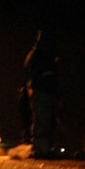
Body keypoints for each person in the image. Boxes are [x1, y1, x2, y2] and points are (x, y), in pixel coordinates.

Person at [22, 29, 61, 158]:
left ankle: (42, 148)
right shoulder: (40, 55)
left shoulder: (36, 54)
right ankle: (42, 150)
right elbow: (46, 75)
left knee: (42, 120)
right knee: (43, 120)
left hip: (42, 92)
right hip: (42, 92)